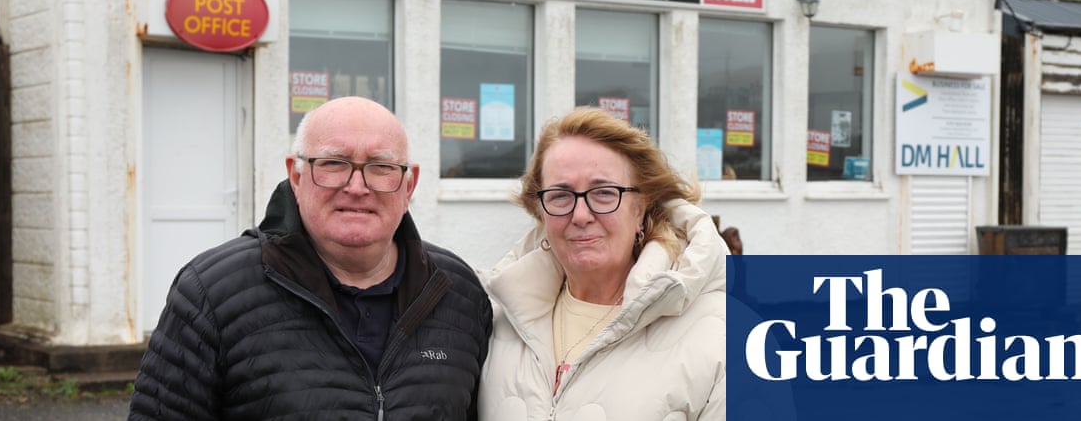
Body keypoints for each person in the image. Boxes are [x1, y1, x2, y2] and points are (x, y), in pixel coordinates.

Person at [129, 96, 492, 420]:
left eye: (381, 166)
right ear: (296, 176)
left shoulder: (457, 292)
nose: (356, 186)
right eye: (334, 163)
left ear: (409, 185)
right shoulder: (211, 292)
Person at [478, 107, 728, 419]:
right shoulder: (494, 317)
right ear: (539, 210)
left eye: (604, 193)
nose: (581, 216)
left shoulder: (728, 336)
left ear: (640, 207)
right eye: (560, 196)